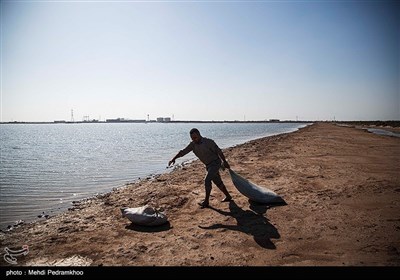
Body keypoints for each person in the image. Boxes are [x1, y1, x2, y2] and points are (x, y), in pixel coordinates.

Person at [168, 128, 232, 208]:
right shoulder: (192, 144)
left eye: (195, 137)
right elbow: (183, 152)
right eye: (192, 138)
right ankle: (228, 196)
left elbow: (219, 151)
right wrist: (173, 159)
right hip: (208, 165)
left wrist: (224, 161)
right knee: (217, 181)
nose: (194, 140)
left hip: (216, 163)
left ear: (199, 134)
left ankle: (206, 202)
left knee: (207, 180)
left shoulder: (208, 142)